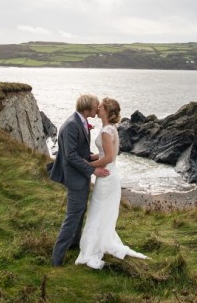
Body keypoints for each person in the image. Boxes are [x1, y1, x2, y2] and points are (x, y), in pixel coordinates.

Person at [75, 97, 148, 269]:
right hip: (110, 175)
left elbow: (109, 157)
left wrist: (86, 165)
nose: (97, 107)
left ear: (106, 111)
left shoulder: (107, 131)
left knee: (98, 210)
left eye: (100, 106)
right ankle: (98, 242)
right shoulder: (110, 129)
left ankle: (93, 247)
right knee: (100, 211)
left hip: (107, 177)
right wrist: (92, 157)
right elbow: (106, 154)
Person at [49, 94, 110, 266]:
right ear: (86, 110)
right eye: (95, 106)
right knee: (72, 217)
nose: (98, 107)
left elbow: (80, 151)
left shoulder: (80, 122)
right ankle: (56, 260)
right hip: (75, 178)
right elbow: (70, 156)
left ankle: (74, 245)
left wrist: (94, 157)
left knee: (79, 213)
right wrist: (93, 169)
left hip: (80, 176)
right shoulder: (71, 125)